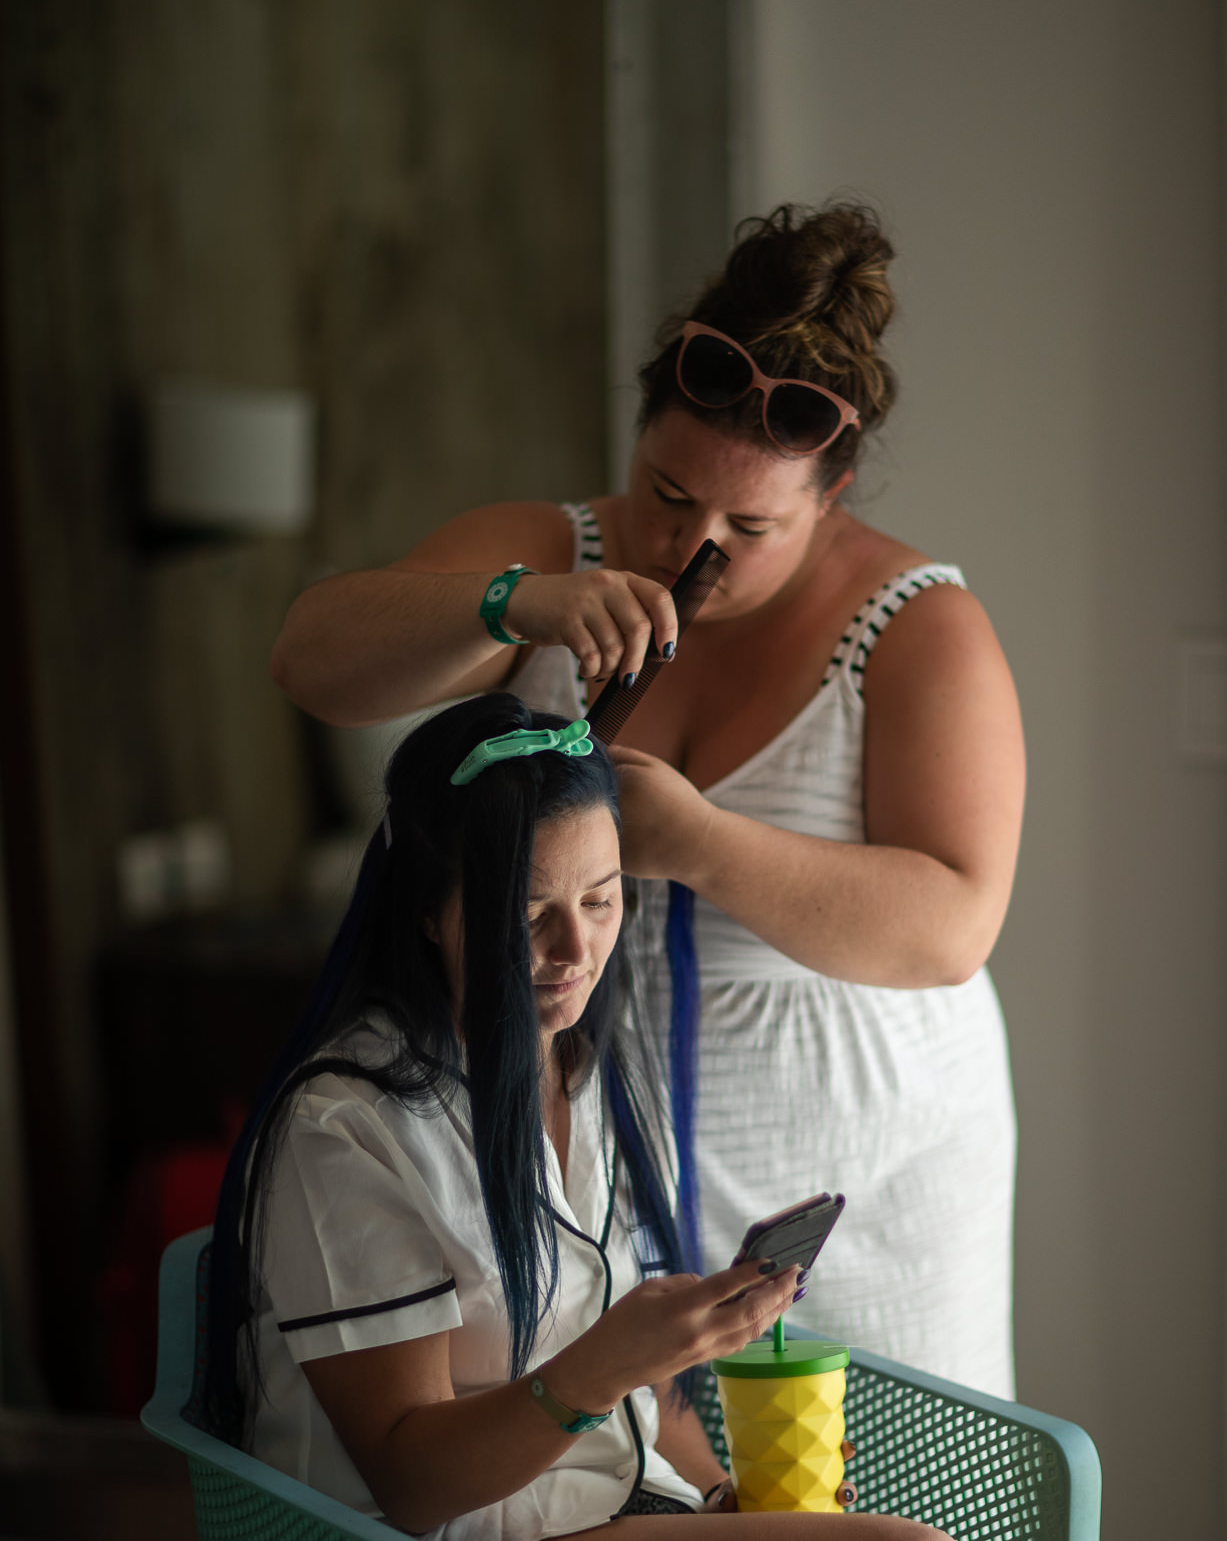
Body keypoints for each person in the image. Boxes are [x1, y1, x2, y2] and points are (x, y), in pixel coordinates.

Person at [207, 697, 1100, 1541]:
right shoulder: (353, 1128)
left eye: (601, 898)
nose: (574, 949)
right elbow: (414, 1480)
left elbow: (652, 1404)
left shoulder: (580, 1072)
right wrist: (597, 1369)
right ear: (431, 910)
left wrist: (720, 1481)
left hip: (617, 1530)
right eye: (527, 913)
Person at [271, 202, 1026, 1393]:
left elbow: (954, 925)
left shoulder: (921, 628)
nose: (693, 542)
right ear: (637, 435)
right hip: (587, 1162)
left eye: (751, 523)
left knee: (868, 1510)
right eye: (669, 493)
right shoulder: (546, 548)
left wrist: (704, 843)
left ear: (829, 498)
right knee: (645, 1504)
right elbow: (311, 660)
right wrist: (509, 606)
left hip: (862, 1183)